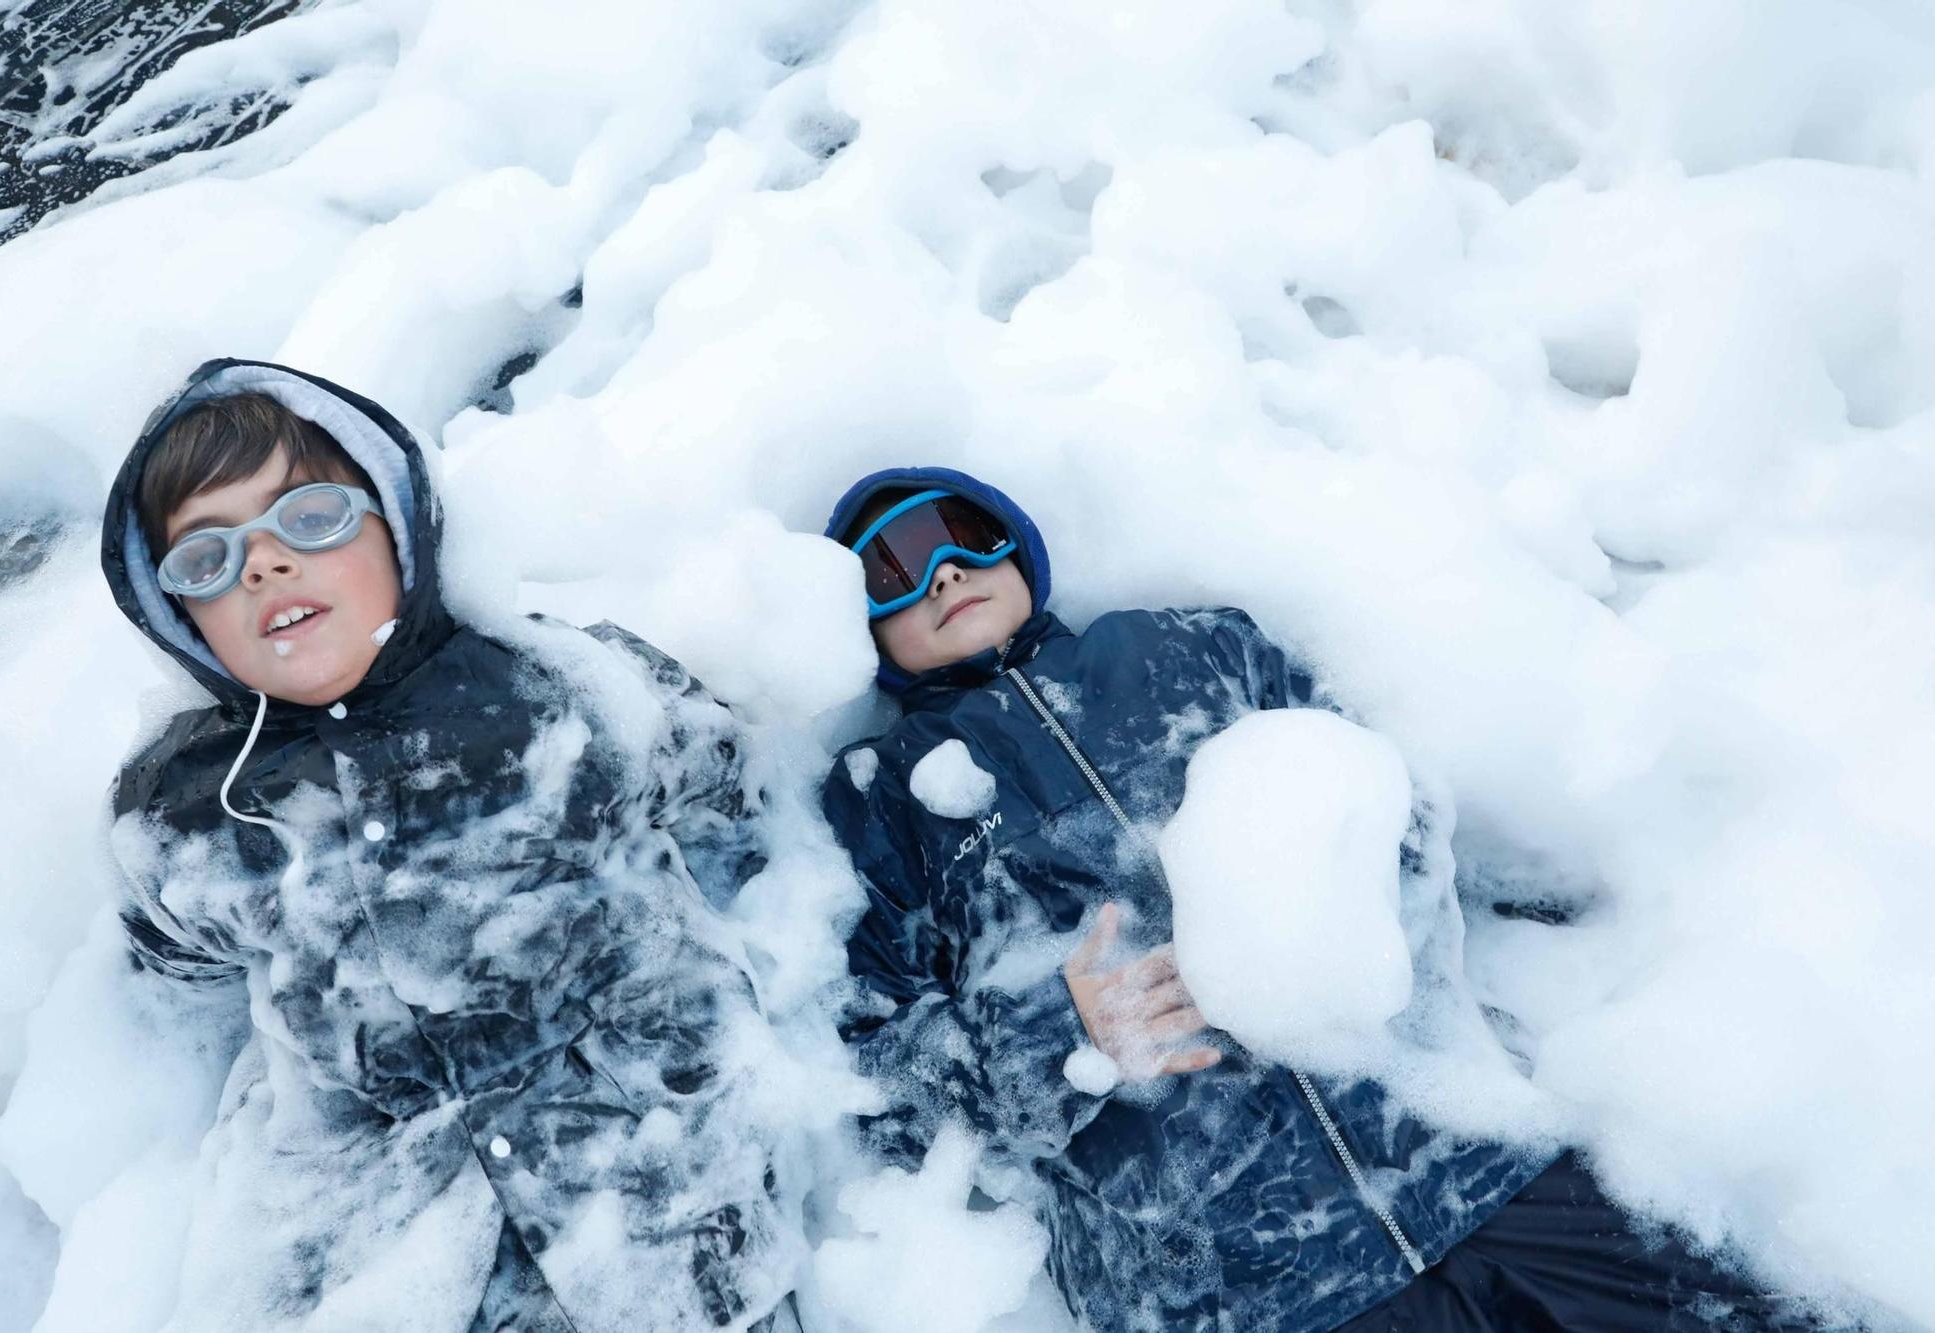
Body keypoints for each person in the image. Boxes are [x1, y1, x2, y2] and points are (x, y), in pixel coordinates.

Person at [818, 467, 1829, 1332]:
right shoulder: (882, 798)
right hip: (1245, 1285)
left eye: (959, 533)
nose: (939, 570)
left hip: (1466, 1153)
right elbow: (876, 1073)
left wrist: (1328, 885)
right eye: (889, 570)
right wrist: (1059, 1035)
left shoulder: (1190, 648)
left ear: (1017, 548)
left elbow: (1397, 809)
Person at [100, 359, 799, 1333]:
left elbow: (727, 782)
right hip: (385, 1261)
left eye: (308, 518)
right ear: (177, 616)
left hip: (656, 1222)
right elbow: (172, 961)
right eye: (204, 560)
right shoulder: (190, 805)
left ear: (401, 521)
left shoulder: (558, 691)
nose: (259, 563)